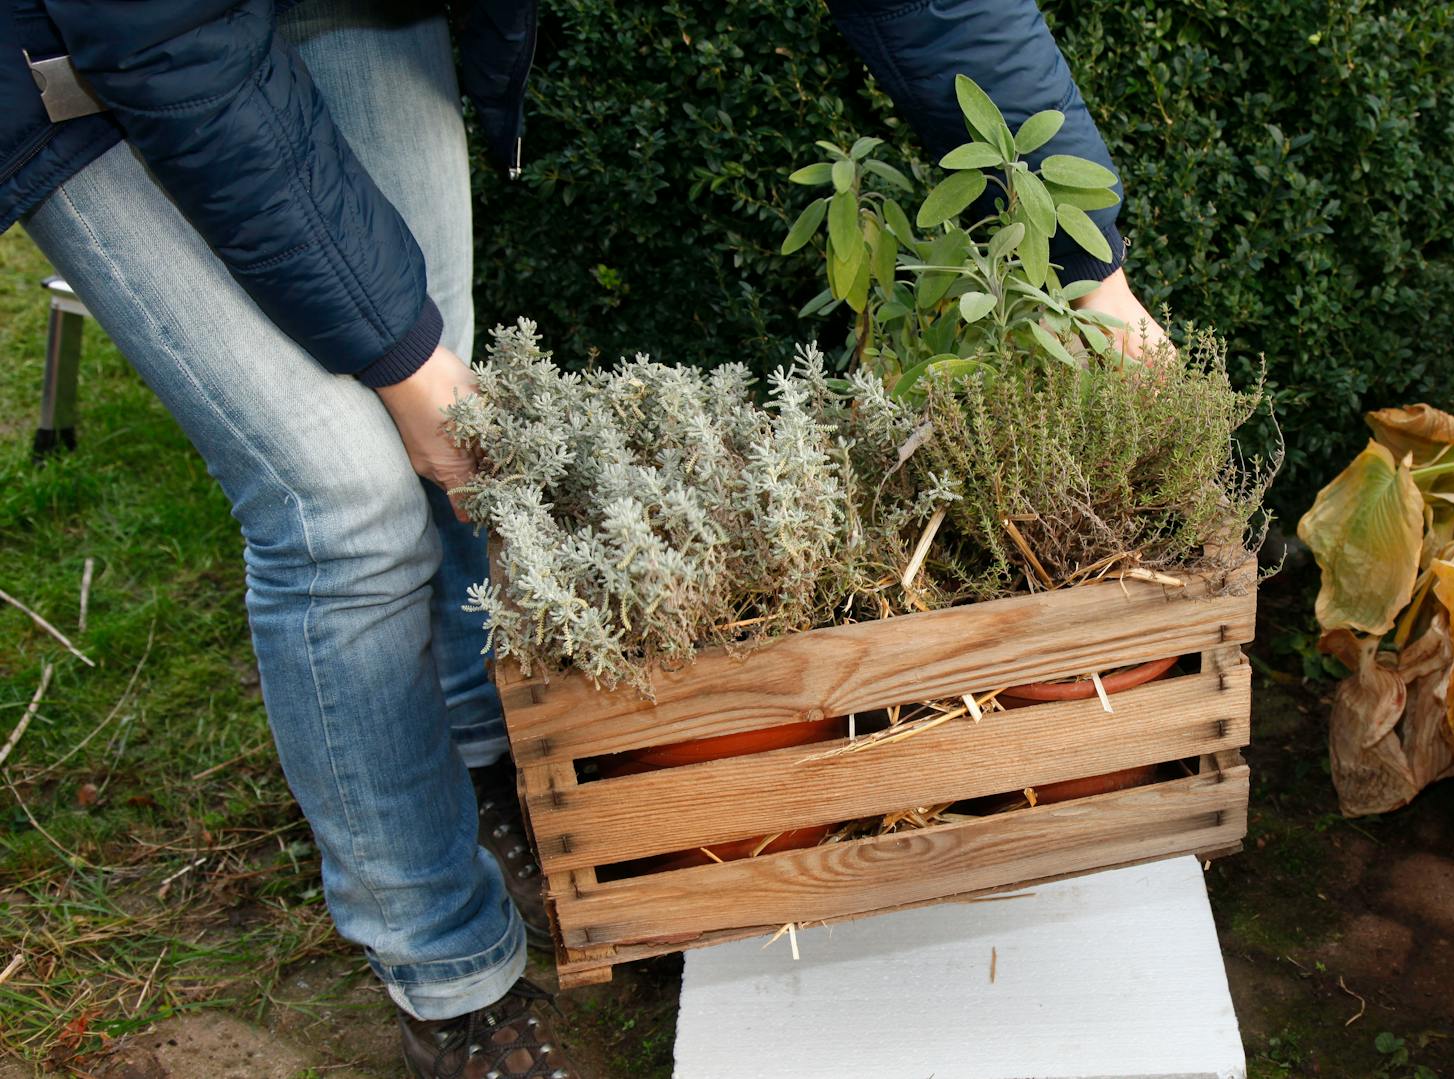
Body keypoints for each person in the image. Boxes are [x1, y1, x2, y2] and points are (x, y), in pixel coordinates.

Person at [1, 1, 1162, 1075]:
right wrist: (405, 369)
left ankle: (479, 747)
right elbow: (173, 42)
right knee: (344, 500)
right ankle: (444, 968)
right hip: (98, 43)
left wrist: (1087, 264)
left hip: (351, 7)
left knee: (444, 402)